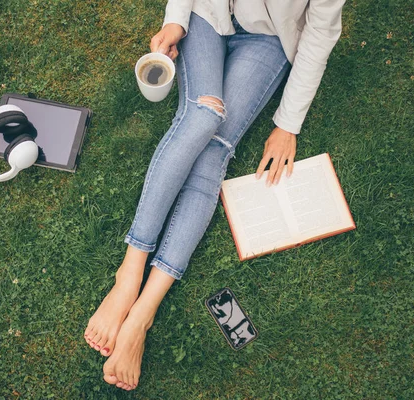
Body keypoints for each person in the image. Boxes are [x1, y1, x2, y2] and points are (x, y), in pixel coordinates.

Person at [84, 0, 345, 391]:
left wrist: (288, 123)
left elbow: (320, 33)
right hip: (207, 15)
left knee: (215, 150)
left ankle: (144, 310)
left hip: (268, 38)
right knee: (202, 117)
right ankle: (130, 273)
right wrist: (175, 22)